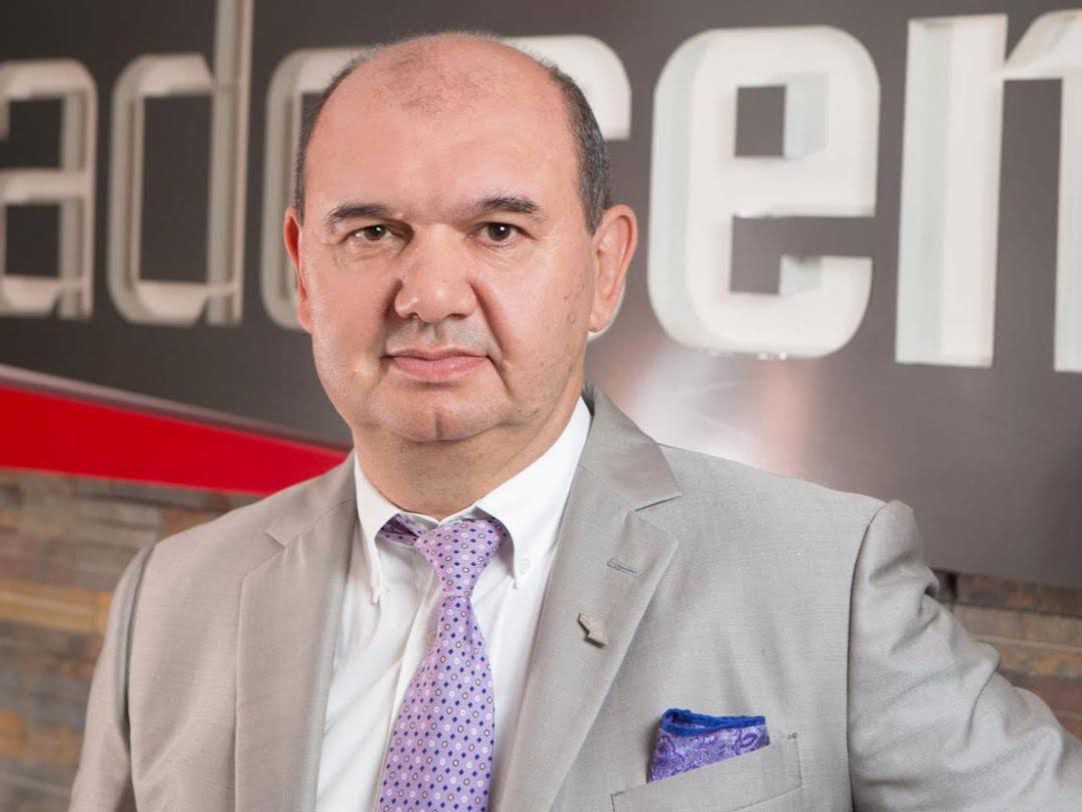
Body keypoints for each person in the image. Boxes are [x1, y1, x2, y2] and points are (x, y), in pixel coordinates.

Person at [70, 31, 1082, 811]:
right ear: (303, 268)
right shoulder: (171, 599)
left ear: (603, 268)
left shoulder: (829, 583)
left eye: (497, 230)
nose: (430, 294)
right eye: (373, 231)